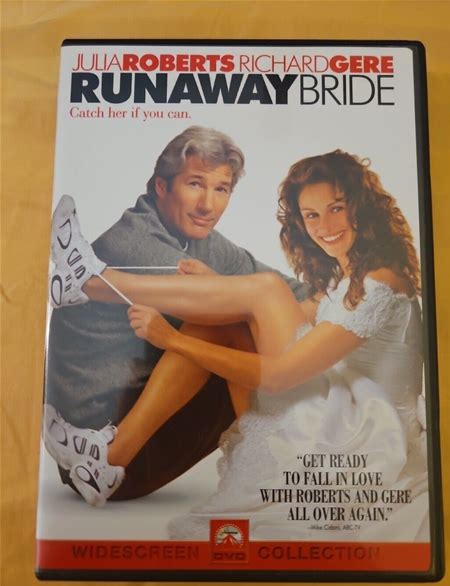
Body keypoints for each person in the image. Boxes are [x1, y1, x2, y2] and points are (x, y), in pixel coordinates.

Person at [45, 150, 428, 542]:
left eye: (336, 209)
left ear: (361, 207)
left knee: (267, 289)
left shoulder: (382, 281)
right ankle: (109, 459)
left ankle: (93, 283)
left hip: (351, 444)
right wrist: (219, 287)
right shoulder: (343, 282)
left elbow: (278, 377)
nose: (324, 226)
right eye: (311, 215)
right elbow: (279, 316)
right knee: (221, 320)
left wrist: (172, 339)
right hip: (328, 416)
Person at [44, 126, 310, 502]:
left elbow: (298, 297)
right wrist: (253, 298)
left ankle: (91, 281)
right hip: (96, 448)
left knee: (252, 307)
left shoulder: (206, 244)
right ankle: (268, 463)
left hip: (131, 451)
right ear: (161, 187)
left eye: (221, 189)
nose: (208, 205)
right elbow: (262, 299)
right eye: (195, 184)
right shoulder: (135, 242)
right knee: (228, 317)